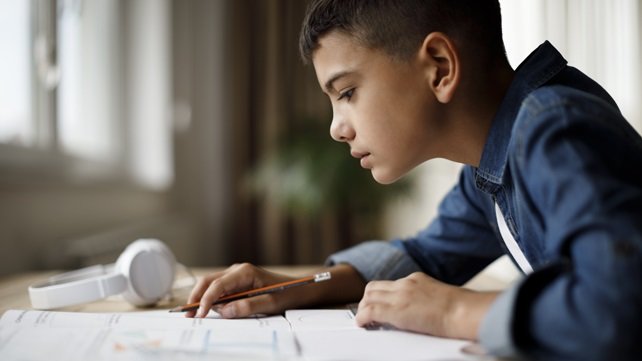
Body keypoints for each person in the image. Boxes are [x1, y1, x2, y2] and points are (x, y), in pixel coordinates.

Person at [187, 1, 642, 360]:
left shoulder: (554, 129)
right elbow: (424, 255)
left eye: (347, 93)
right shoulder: (492, 167)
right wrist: (296, 286)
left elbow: (617, 309)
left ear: (440, 67)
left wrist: (452, 310)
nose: (336, 128)